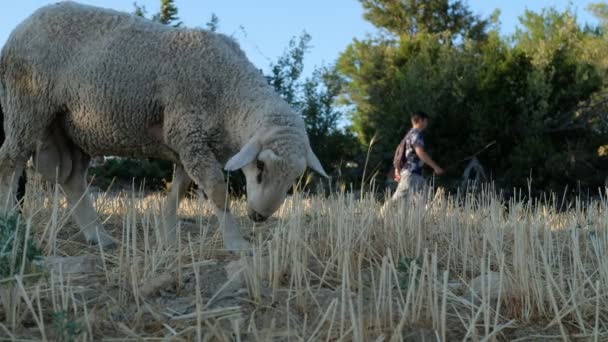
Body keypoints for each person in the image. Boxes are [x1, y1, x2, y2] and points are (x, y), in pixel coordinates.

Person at [391, 111, 443, 200]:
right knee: (396, 201)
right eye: (426, 121)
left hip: (414, 174)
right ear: (420, 120)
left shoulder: (408, 135)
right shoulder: (417, 134)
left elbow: (399, 152)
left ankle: (421, 214)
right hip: (411, 174)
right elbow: (420, 152)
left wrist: (397, 169)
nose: (427, 123)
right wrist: (435, 167)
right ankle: (382, 213)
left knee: (426, 197)